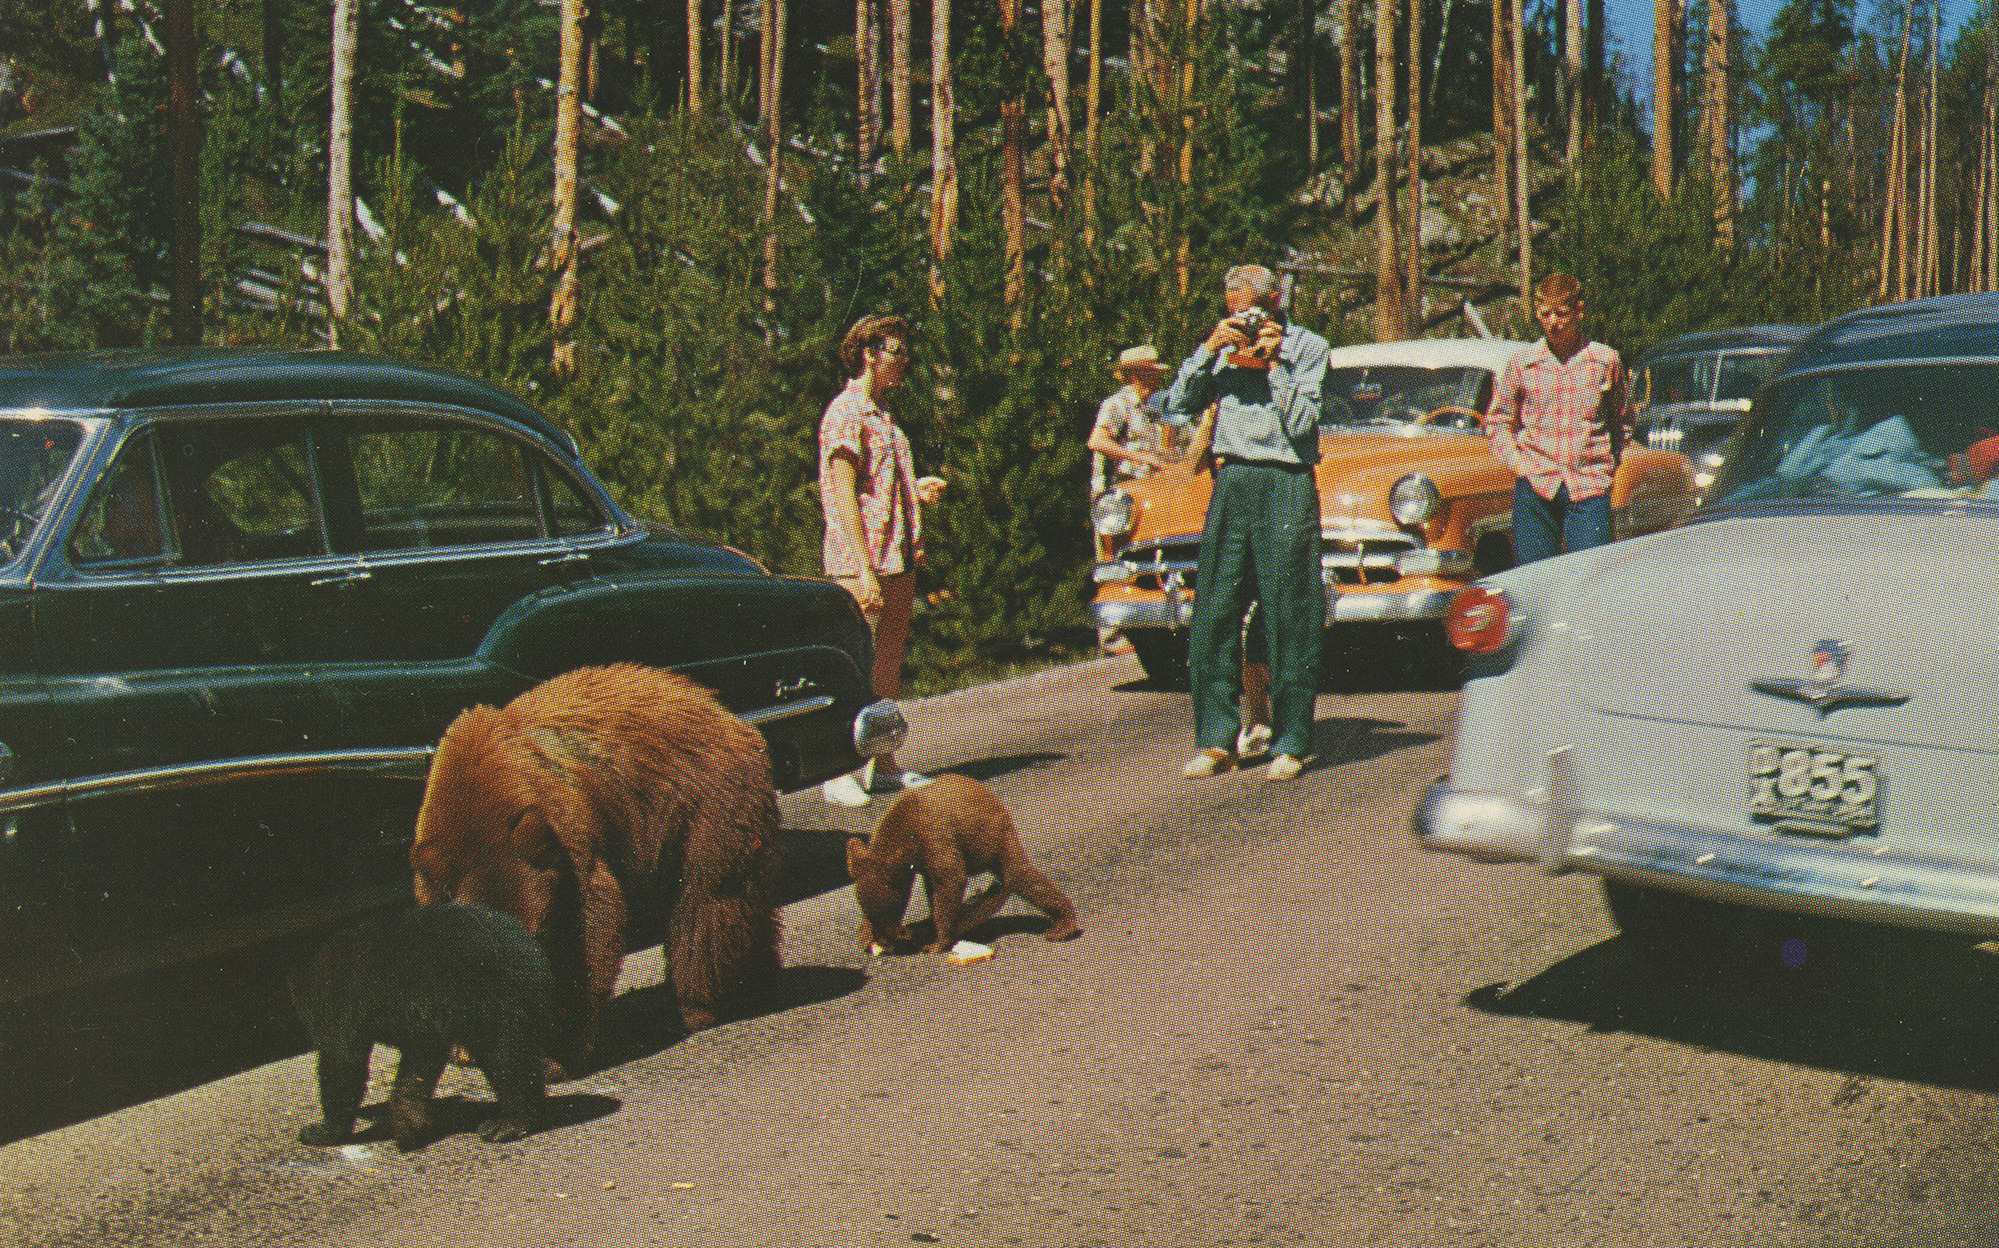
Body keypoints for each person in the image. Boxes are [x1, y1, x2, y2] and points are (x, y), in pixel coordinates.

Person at [1160, 263, 1328, 783]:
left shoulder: (1308, 347)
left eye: (1250, 307)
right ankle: (1215, 739)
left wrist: (1274, 363)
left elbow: (1302, 423)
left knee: (1289, 613)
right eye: (1233, 308)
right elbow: (1175, 406)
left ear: (1275, 302)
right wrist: (1211, 349)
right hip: (1231, 480)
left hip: (1285, 479)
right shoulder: (1221, 348)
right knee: (1214, 611)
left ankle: (1292, 741)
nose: (1243, 318)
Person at [819, 314, 948, 808]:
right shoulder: (846, 411)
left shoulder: (884, 414)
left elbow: (878, 486)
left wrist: (916, 492)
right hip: (863, 559)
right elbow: (841, 492)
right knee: (855, 663)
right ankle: (837, 768)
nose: (904, 363)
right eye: (896, 353)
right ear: (869, 354)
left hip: (896, 556)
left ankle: (882, 763)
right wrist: (860, 567)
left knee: (886, 667)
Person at [1485, 273, 1628, 565]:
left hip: (1588, 487)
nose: (1553, 322)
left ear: (1579, 311)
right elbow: (1498, 422)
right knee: (1533, 580)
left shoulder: (1605, 361)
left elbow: (1622, 420)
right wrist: (1518, 464)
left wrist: (1608, 463)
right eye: (1545, 314)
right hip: (1536, 486)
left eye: (1562, 314)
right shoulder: (1523, 364)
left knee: (1591, 576)